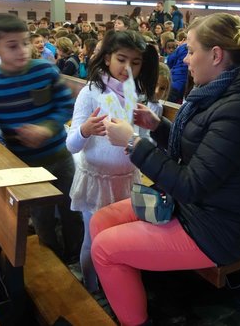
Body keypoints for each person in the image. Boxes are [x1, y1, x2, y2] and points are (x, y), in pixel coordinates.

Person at [95, 13, 240, 325]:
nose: (185, 59)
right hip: (198, 208)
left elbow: (191, 184)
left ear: (216, 55)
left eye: (191, 51)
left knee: (104, 250)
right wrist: (158, 126)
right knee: (102, 220)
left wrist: (134, 144)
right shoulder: (218, 92)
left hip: (219, 228)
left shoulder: (239, 109)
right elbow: (200, 152)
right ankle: (133, 290)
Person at [0, 13, 82, 263]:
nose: (22, 50)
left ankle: (75, 258)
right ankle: (55, 263)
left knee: (73, 210)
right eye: (12, 46)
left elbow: (66, 104)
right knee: (42, 218)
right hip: (26, 166)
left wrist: (47, 128)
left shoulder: (44, 70)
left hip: (60, 157)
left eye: (25, 42)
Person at [66, 30, 159, 292]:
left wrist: (148, 133)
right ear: (107, 58)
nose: (127, 68)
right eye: (121, 59)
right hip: (97, 179)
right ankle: (92, 288)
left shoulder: (138, 95)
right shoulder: (91, 93)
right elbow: (71, 144)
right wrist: (85, 130)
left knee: (123, 240)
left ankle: (115, 288)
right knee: (93, 239)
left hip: (127, 180)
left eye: (135, 62)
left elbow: (144, 142)